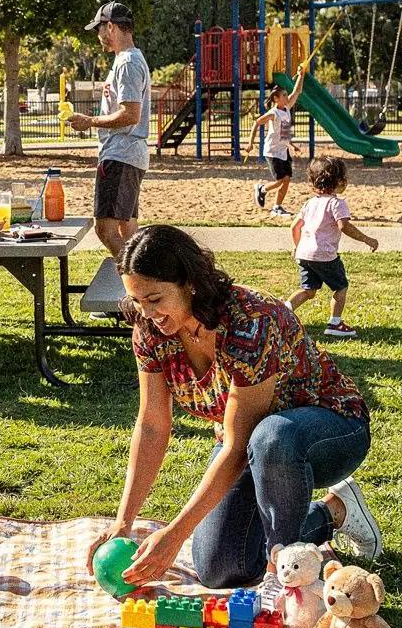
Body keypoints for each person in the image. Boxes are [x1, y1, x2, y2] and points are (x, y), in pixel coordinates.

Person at [87, 225, 381, 605]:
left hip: (331, 431)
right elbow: (152, 425)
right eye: (137, 300)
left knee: (271, 436)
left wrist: (175, 534)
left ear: (189, 283)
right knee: (220, 568)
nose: (147, 313)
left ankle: (282, 571)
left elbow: (241, 444)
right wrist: (122, 525)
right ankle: (333, 513)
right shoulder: (150, 330)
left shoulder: (249, 321)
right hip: (251, 445)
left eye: (155, 299)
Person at [67, 1, 151, 259]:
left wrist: (90, 121)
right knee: (128, 229)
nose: (98, 35)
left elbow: (130, 114)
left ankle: (135, 284)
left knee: (105, 229)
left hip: (120, 154)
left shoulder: (127, 63)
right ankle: (137, 287)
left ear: (111, 27)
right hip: (129, 154)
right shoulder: (127, 61)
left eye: (99, 28)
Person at [287, 155, 378, 339]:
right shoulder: (337, 203)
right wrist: (367, 239)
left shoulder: (309, 203)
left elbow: (294, 226)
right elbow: (344, 226)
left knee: (308, 290)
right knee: (341, 286)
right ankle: (334, 323)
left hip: (304, 254)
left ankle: (283, 311)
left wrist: (297, 247)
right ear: (340, 181)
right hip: (325, 255)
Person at [249, 67, 305, 217]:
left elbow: (297, 91)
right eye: (284, 95)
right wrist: (250, 143)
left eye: (287, 95)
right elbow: (256, 123)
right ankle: (261, 189)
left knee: (286, 180)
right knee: (281, 180)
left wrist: (301, 74)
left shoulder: (286, 109)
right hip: (272, 151)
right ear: (276, 98)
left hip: (283, 150)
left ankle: (277, 207)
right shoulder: (273, 113)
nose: (287, 97)